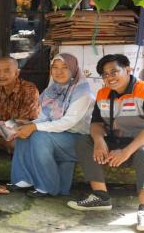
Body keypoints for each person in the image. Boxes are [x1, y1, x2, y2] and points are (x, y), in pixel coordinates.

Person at [67, 54, 144, 232]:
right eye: (105, 75)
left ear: (128, 70)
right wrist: (98, 141)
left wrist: (126, 152)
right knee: (84, 141)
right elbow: (96, 124)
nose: (109, 78)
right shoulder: (102, 93)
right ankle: (100, 196)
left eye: (114, 71)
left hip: (141, 142)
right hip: (115, 140)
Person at [10, 53, 94, 197]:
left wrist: (34, 127)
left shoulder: (83, 92)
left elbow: (68, 122)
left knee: (38, 137)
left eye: (65, 67)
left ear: (73, 69)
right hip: (58, 135)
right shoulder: (52, 89)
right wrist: (29, 124)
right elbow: (43, 117)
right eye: (55, 67)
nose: (58, 71)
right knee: (24, 133)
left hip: (79, 140)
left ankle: (48, 187)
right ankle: (23, 179)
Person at [0, 57, 40, 152]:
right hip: (5, 131)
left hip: (28, 130)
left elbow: (24, 121)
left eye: (6, 71)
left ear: (17, 73)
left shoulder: (29, 90)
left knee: (14, 144)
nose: (1, 75)